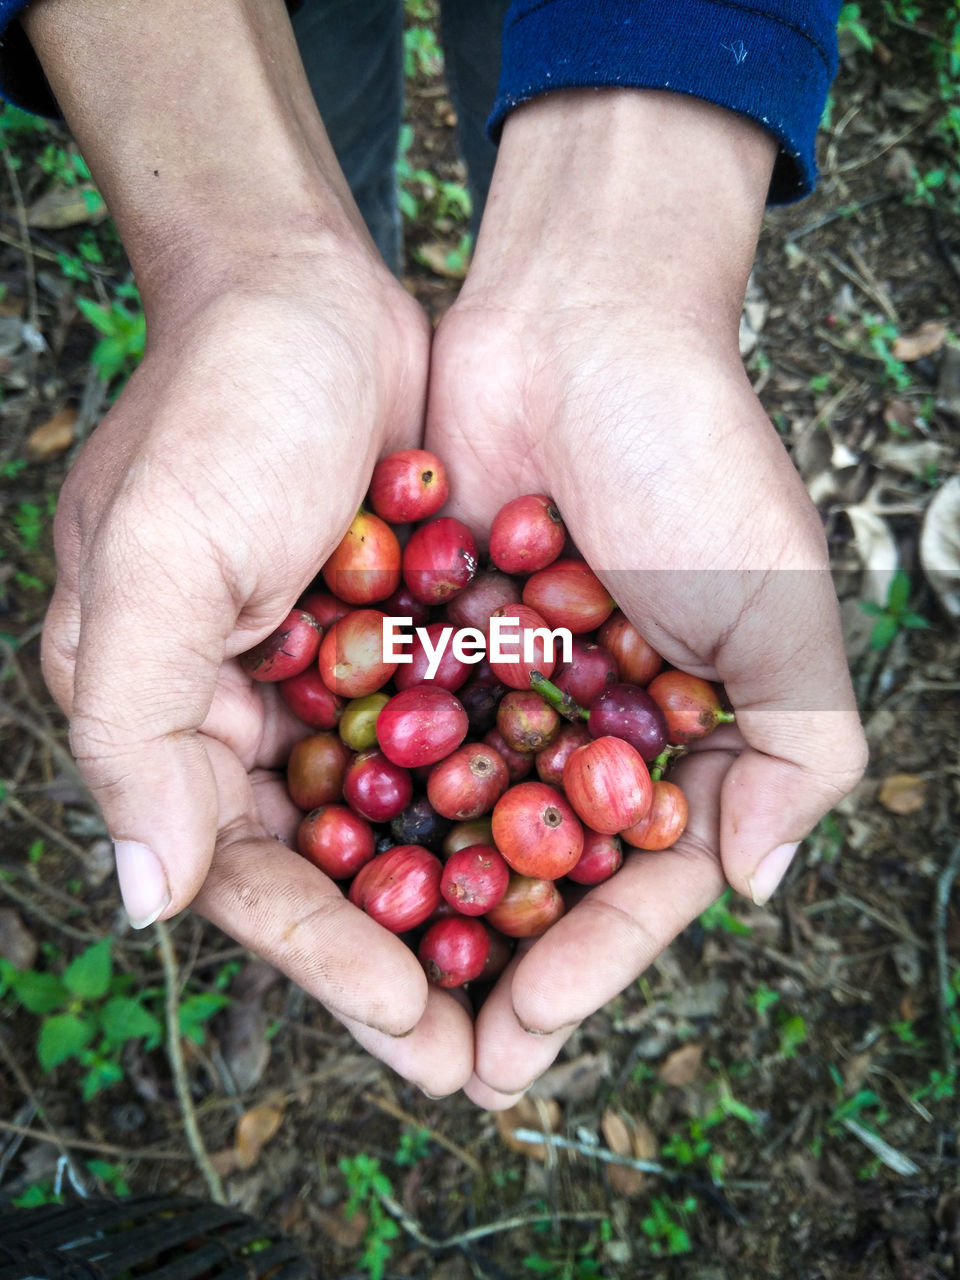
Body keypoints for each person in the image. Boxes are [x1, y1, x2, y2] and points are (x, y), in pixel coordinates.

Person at [2, 0, 866, 1109]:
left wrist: (624, 252)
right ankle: (327, 234)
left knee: (486, 50)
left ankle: (353, 233)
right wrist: (242, 251)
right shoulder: (484, 707)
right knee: (329, 75)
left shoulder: (497, 707)